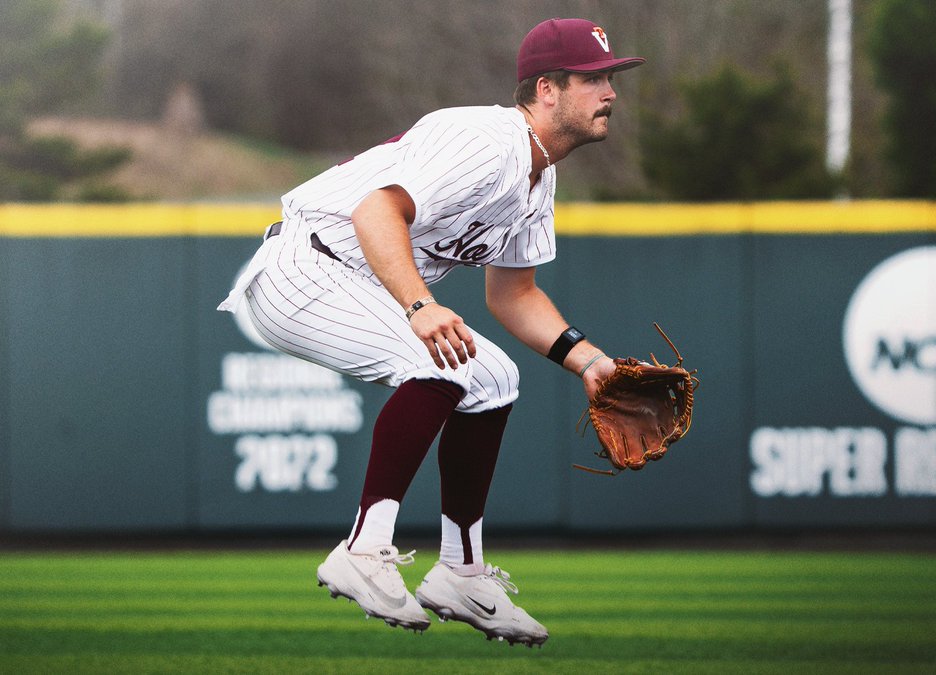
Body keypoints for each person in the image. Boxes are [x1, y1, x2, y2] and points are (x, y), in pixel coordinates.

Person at [217, 18, 644, 647]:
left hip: (355, 281)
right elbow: (374, 209)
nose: (610, 91)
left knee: (494, 378)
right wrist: (419, 307)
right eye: (594, 78)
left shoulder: (538, 172)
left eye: (610, 77)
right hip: (305, 267)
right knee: (440, 362)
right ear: (547, 89)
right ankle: (363, 551)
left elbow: (513, 293)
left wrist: (588, 362)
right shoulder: (485, 140)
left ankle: (461, 572)